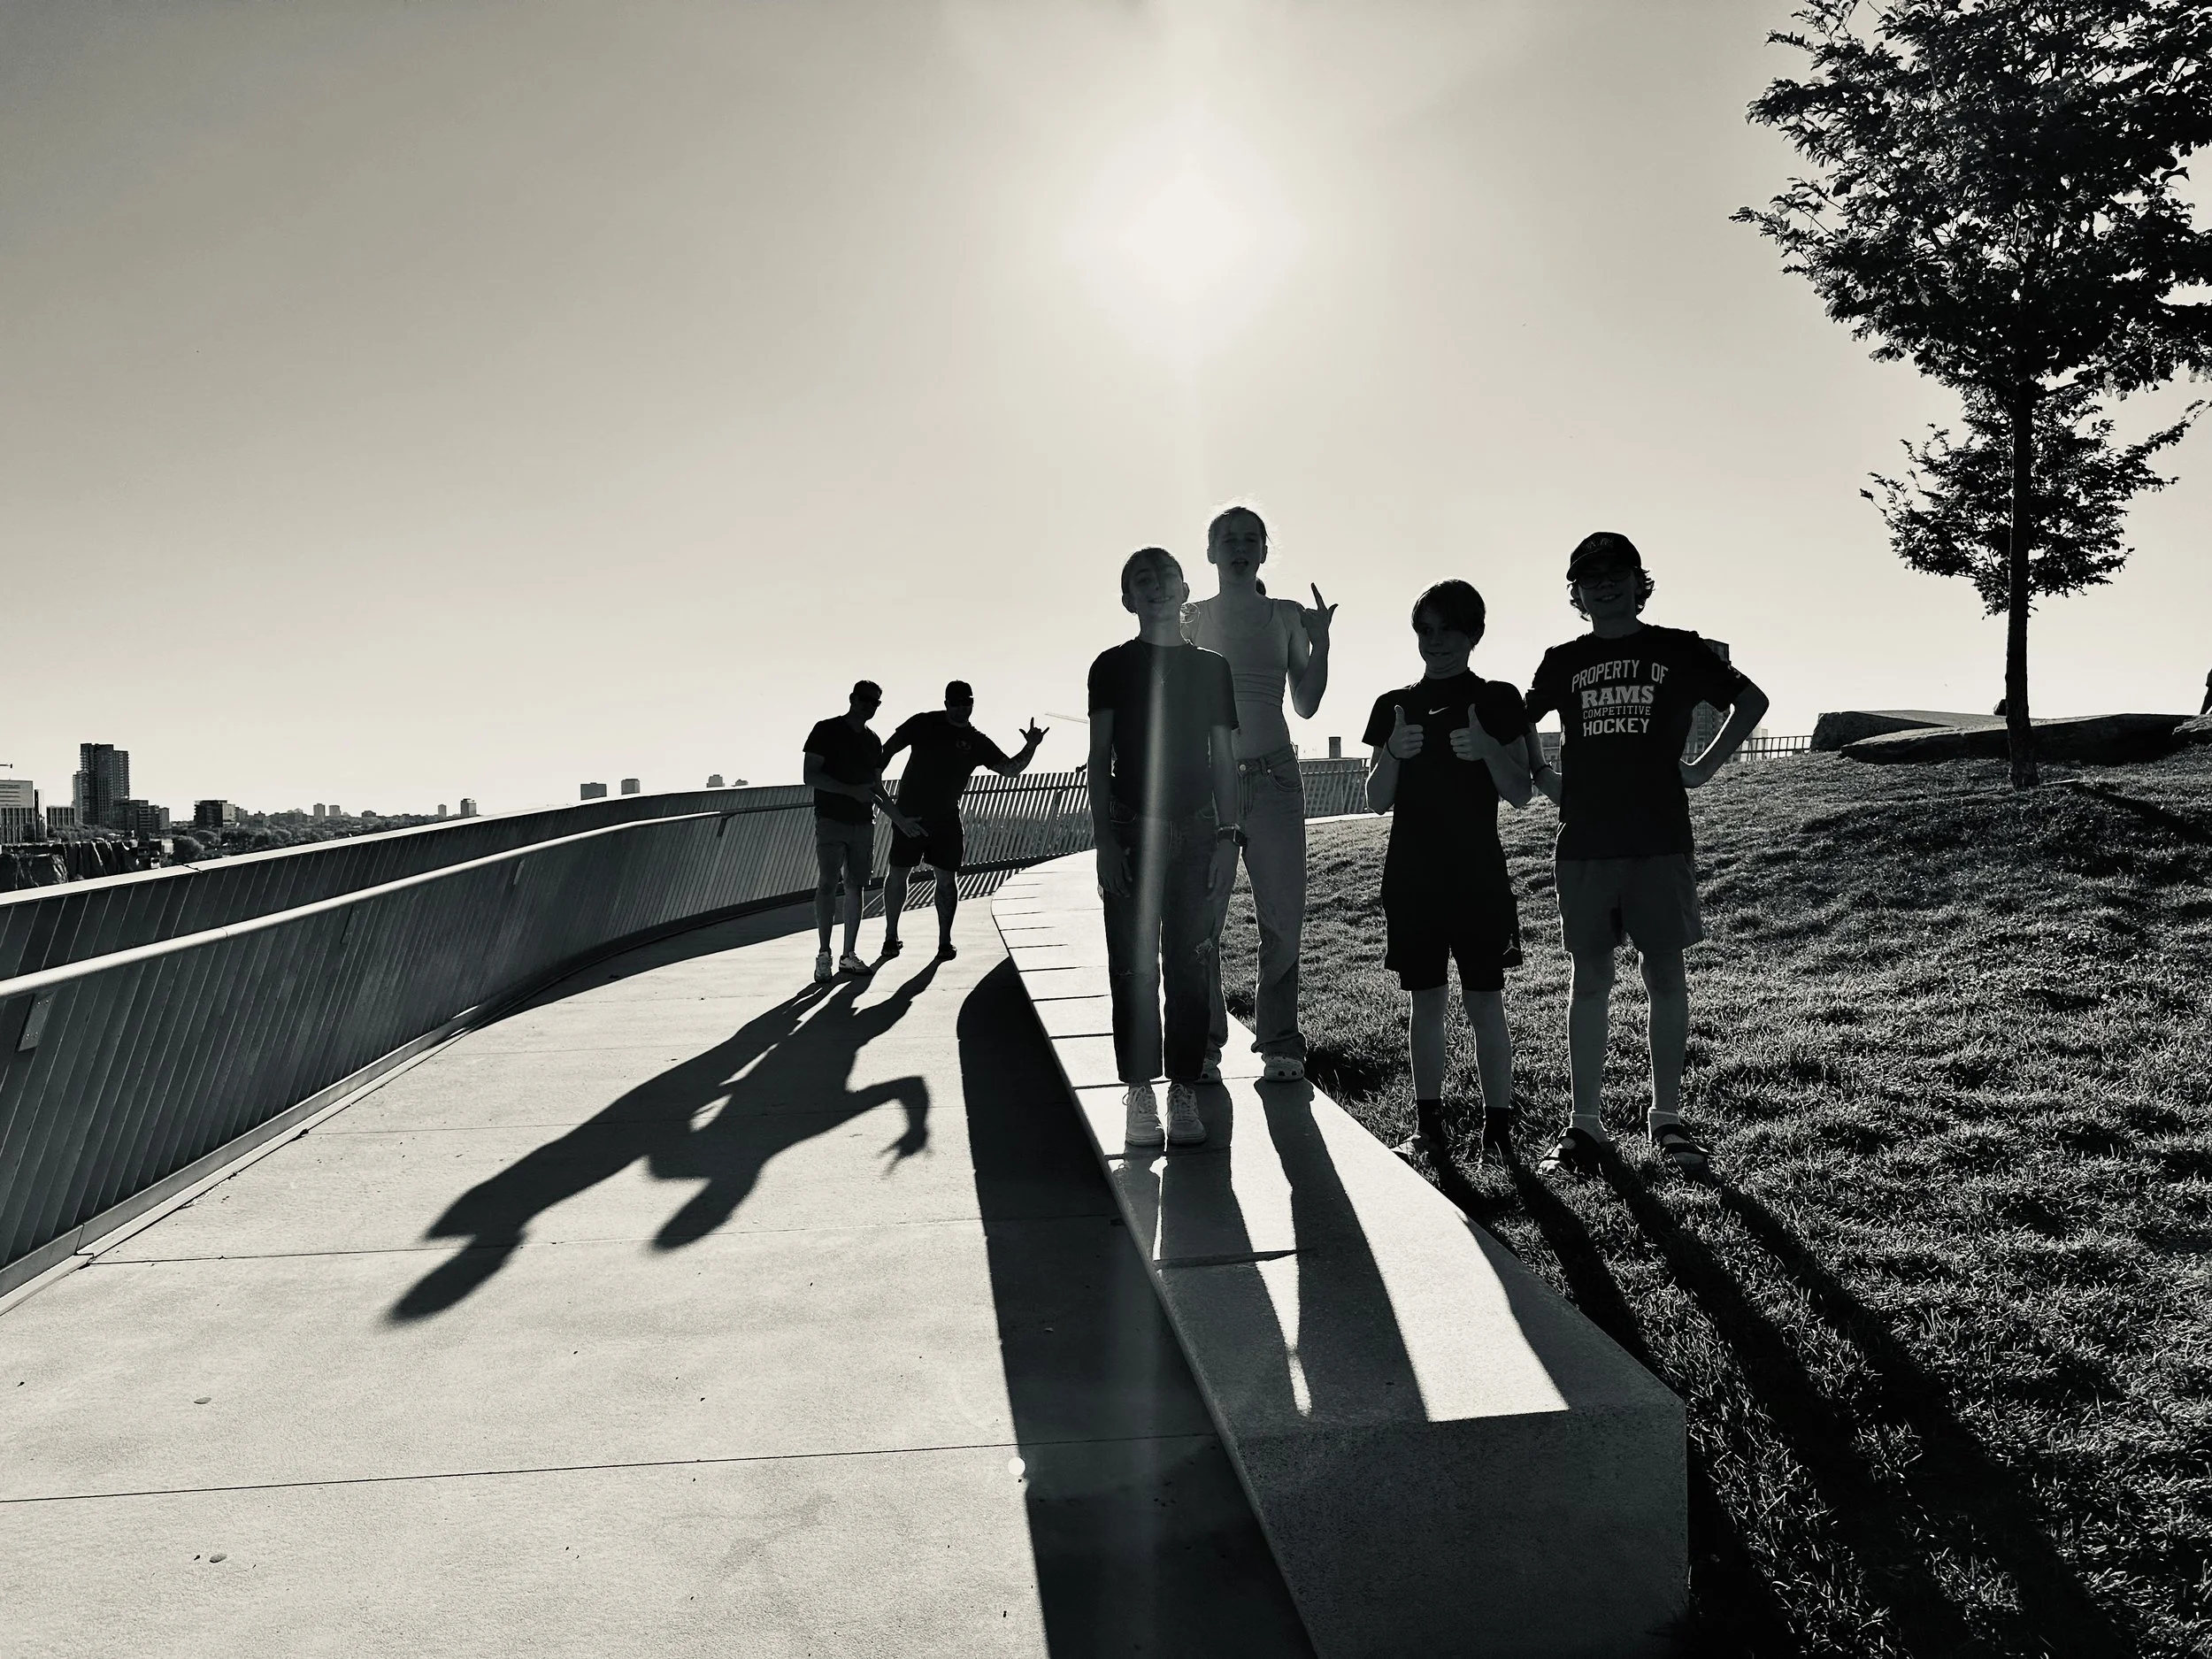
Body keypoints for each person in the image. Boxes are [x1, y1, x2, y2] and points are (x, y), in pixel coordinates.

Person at [1523, 533, 1769, 1176]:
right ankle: (1584, 1124)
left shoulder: (1677, 648)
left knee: (1664, 978)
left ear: (1639, 581)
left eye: (1617, 572)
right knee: (1590, 982)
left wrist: (1703, 767)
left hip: (1659, 839)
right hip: (1586, 843)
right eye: (1590, 577)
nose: (1604, 584)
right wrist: (1544, 777)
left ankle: (1667, 1118)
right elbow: (1518, 720)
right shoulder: (1562, 660)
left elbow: (1752, 700)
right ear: (1576, 592)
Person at [1363, 580, 1536, 1166]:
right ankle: (1428, 1128)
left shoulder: (1498, 699)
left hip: (1478, 880)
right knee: (1426, 1004)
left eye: (1449, 631)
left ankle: (1498, 1131)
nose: (1435, 642)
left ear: (1473, 634)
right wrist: (1393, 752)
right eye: (1426, 631)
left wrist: (1488, 749)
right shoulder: (1394, 704)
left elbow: (1521, 792)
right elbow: (1375, 800)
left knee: (1486, 1003)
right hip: (1412, 880)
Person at [1088, 547, 1242, 1150]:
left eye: (1165, 576)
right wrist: (1103, 841)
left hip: (1199, 829)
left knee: (1190, 963)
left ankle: (1182, 1088)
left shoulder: (1211, 668)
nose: (1156, 585)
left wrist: (1229, 837)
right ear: (1128, 598)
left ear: (1184, 589)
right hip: (1131, 830)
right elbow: (1099, 759)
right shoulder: (1110, 666)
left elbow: (1223, 759)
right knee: (1132, 966)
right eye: (1142, 579)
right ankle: (1139, 1090)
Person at [1182, 504, 1335, 1083]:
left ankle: (1280, 1043)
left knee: (1282, 919)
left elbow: (1306, 704)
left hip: (1275, 781)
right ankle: (1204, 1042)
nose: (1240, 547)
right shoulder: (1193, 618)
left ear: (1265, 551)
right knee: (1203, 919)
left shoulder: (1288, 615)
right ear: (1211, 552)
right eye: (1228, 539)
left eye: (1251, 539)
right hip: (1208, 784)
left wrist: (1321, 644)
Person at [879, 681, 1047, 960]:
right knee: (898, 874)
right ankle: (890, 936)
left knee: (947, 879)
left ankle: (944, 942)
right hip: (909, 816)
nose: (961, 708)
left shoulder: (976, 740)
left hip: (946, 820)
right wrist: (879, 791)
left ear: (972, 703)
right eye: (955, 703)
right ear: (946, 703)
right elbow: (886, 752)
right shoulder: (923, 723)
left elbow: (1009, 769)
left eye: (966, 702)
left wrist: (1031, 746)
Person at [803, 681, 918, 984]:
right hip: (831, 820)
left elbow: (875, 787)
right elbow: (810, 775)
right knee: (828, 883)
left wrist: (900, 820)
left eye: (875, 702)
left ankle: (848, 955)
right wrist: (850, 791)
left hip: (863, 823)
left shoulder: (872, 740)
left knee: (856, 886)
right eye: (865, 699)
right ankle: (824, 954)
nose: (870, 705)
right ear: (852, 699)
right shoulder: (826, 730)